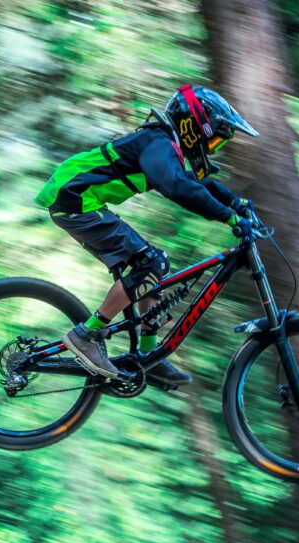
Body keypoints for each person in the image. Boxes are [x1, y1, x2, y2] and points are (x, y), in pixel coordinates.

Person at [35, 85, 259, 386]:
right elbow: (178, 187)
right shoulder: (158, 143)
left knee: (152, 265)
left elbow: (197, 183)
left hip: (80, 199)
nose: (213, 148)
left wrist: (237, 203)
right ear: (194, 126)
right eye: (214, 139)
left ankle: (148, 356)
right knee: (151, 264)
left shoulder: (164, 145)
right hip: (75, 199)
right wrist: (229, 217)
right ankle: (86, 334)